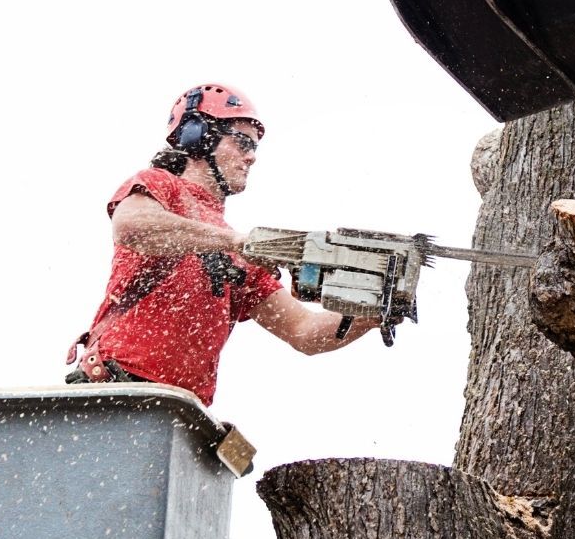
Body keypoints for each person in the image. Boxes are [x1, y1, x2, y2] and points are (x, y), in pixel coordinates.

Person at [65, 83, 377, 405]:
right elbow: (132, 228)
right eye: (242, 142)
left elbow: (304, 331)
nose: (252, 156)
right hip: (116, 387)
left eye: (254, 147)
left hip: (181, 409)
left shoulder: (242, 254)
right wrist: (237, 242)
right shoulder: (161, 187)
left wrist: (371, 314)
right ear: (198, 136)